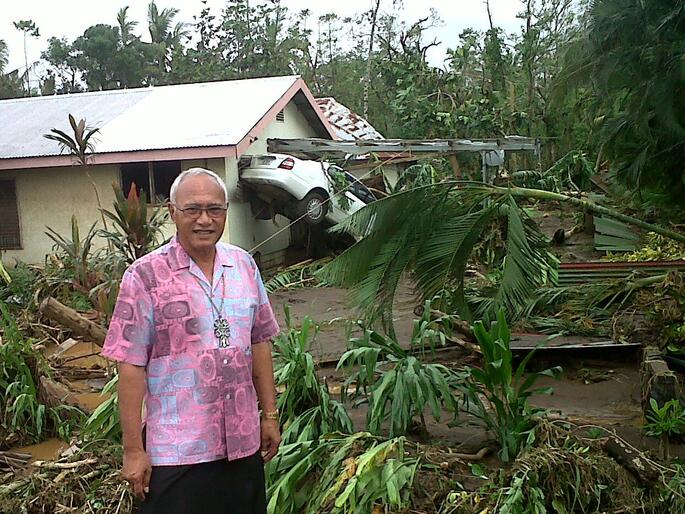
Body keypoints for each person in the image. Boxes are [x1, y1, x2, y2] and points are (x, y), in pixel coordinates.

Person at [101, 168, 281, 514]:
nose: (204, 220)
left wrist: (269, 415)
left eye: (215, 209)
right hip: (177, 452)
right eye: (192, 210)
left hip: (242, 445)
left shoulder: (243, 265)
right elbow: (131, 366)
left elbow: (260, 342)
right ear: (172, 213)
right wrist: (133, 451)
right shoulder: (144, 276)